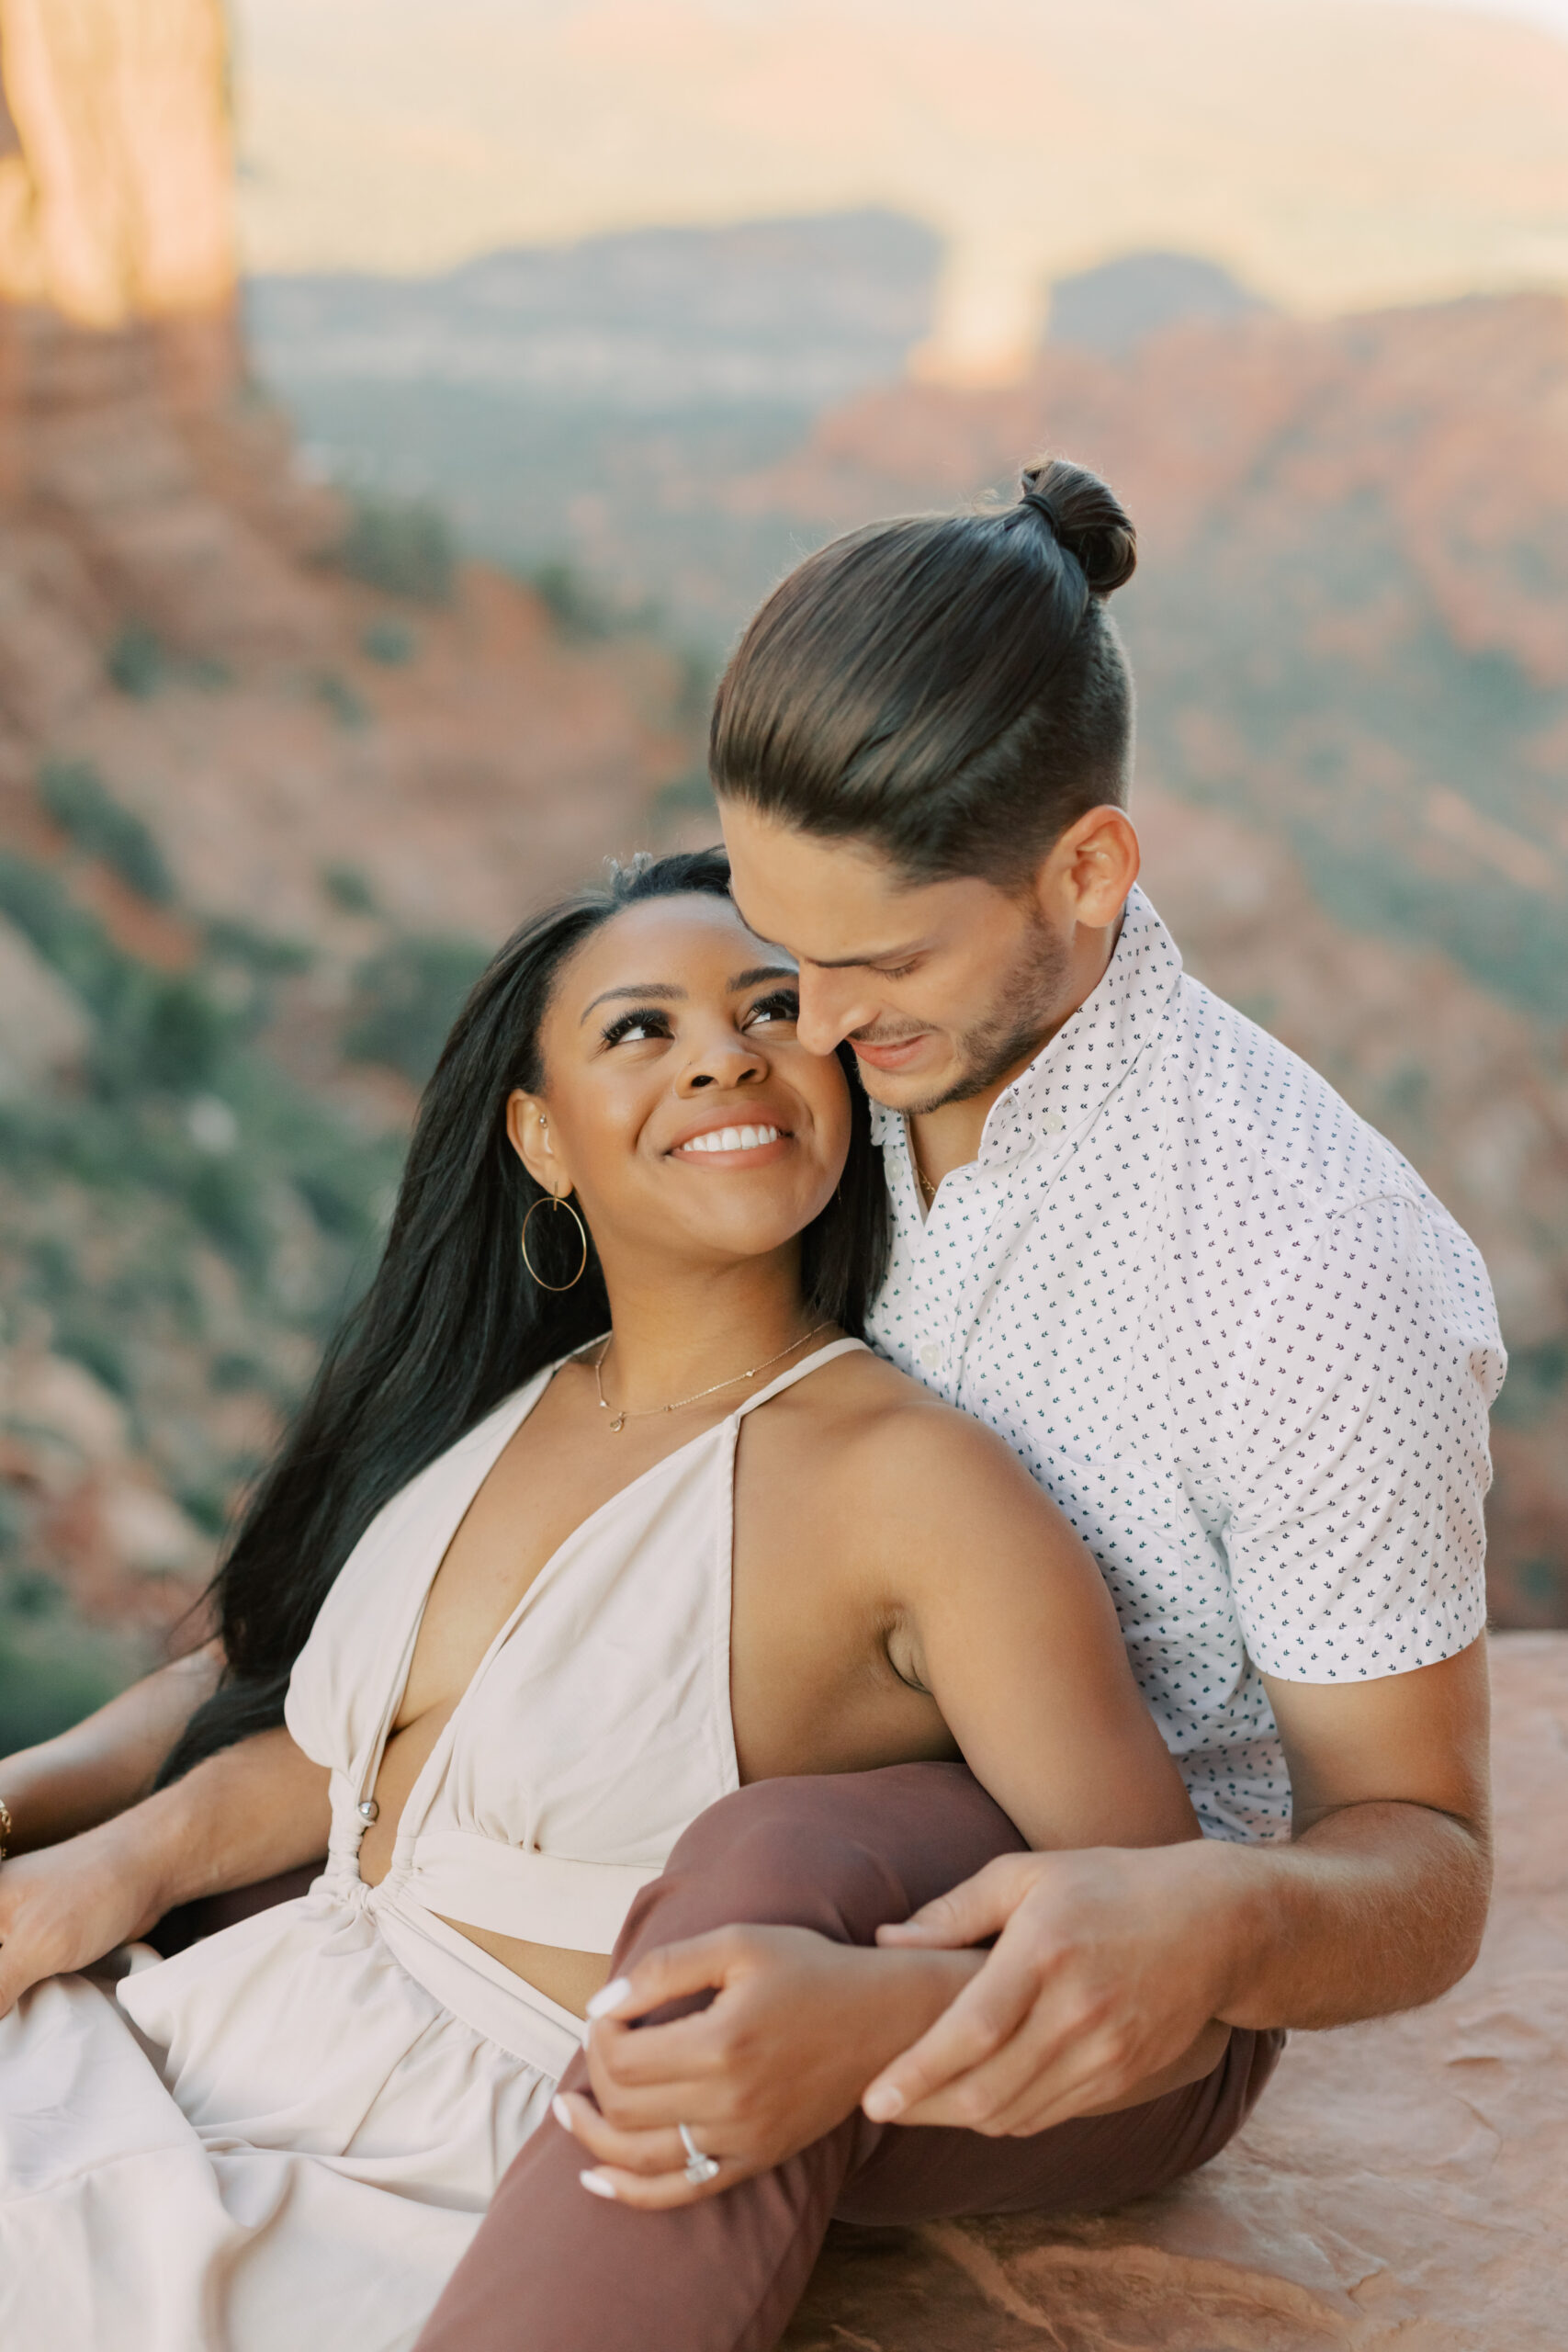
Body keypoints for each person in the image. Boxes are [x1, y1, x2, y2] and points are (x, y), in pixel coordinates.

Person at [408, 457, 1500, 2348]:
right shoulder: (827, 1079)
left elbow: (1419, 1857)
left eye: (878, 964)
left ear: (1083, 871)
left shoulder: (1306, 1271)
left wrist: (1194, 1928)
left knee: (749, 1911)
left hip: (1103, 1948)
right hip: (723, 1755)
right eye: (775, 948)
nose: (807, 1031)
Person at [0, 851, 1264, 2352]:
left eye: (770, 1009)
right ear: (542, 1139)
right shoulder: (503, 1408)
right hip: (203, 2046)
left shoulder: (913, 1485)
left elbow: (1168, 1961)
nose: (724, 1054)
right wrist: (110, 1864)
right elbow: (354, 1756)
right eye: (638, 1030)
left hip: (460, 2179)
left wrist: (865, 2032)